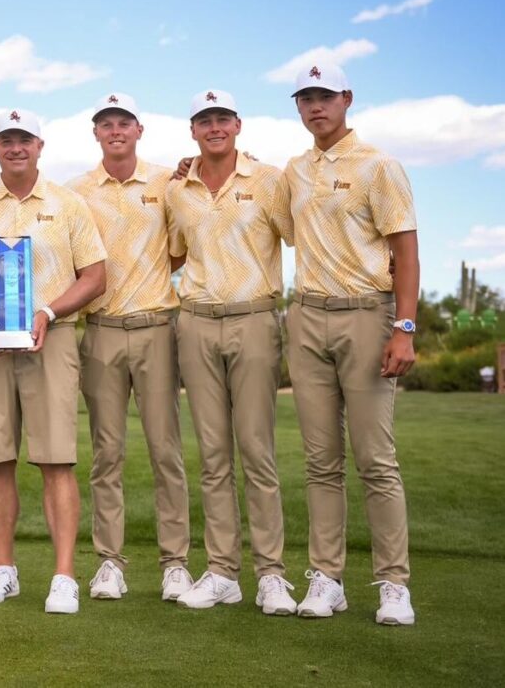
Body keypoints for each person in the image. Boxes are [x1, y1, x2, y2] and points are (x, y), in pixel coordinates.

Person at [0, 109, 107, 614]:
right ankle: (5, 570)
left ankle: (63, 576)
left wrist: (46, 310)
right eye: (6, 140)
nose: (16, 148)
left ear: (41, 145)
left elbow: (95, 276)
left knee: (56, 459)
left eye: (25, 140)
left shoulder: (68, 204)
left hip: (52, 338)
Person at [283, 62, 420, 625]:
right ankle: (327, 579)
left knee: (376, 460)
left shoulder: (379, 166)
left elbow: (406, 253)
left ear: (346, 99)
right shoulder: (293, 171)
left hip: (367, 315)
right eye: (305, 99)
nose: (315, 107)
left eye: (324, 97)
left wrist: (404, 327)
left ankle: (393, 585)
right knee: (321, 461)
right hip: (307, 317)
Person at [165, 90, 298, 615]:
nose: (214, 127)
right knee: (213, 457)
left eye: (222, 118)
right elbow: (174, 250)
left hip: (254, 319)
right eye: (204, 120)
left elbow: (297, 233)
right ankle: (222, 570)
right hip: (195, 322)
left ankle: (271, 574)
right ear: (192, 130)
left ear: (238, 125)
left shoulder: (268, 181)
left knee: (257, 451)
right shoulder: (179, 189)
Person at [66, 93, 194, 602]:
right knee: (107, 453)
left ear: (139, 129)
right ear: (95, 133)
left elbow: (180, 252)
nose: (115, 130)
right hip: (100, 331)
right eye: (105, 124)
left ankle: (176, 564)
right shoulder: (75, 192)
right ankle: (109, 563)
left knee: (166, 450)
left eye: (123, 123)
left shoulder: (168, 182)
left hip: (157, 327)